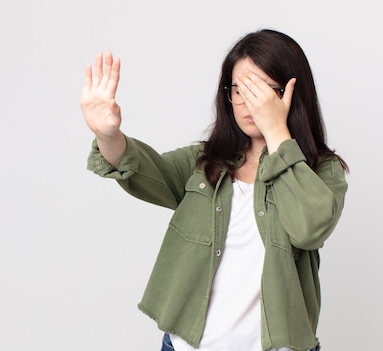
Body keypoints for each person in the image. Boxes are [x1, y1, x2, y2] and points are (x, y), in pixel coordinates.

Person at [80, 29, 348, 351]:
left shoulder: (321, 169)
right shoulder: (204, 162)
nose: (250, 103)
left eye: (263, 91)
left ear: (292, 93)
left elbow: (310, 228)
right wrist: (108, 135)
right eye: (240, 90)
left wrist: (277, 131)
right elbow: (141, 168)